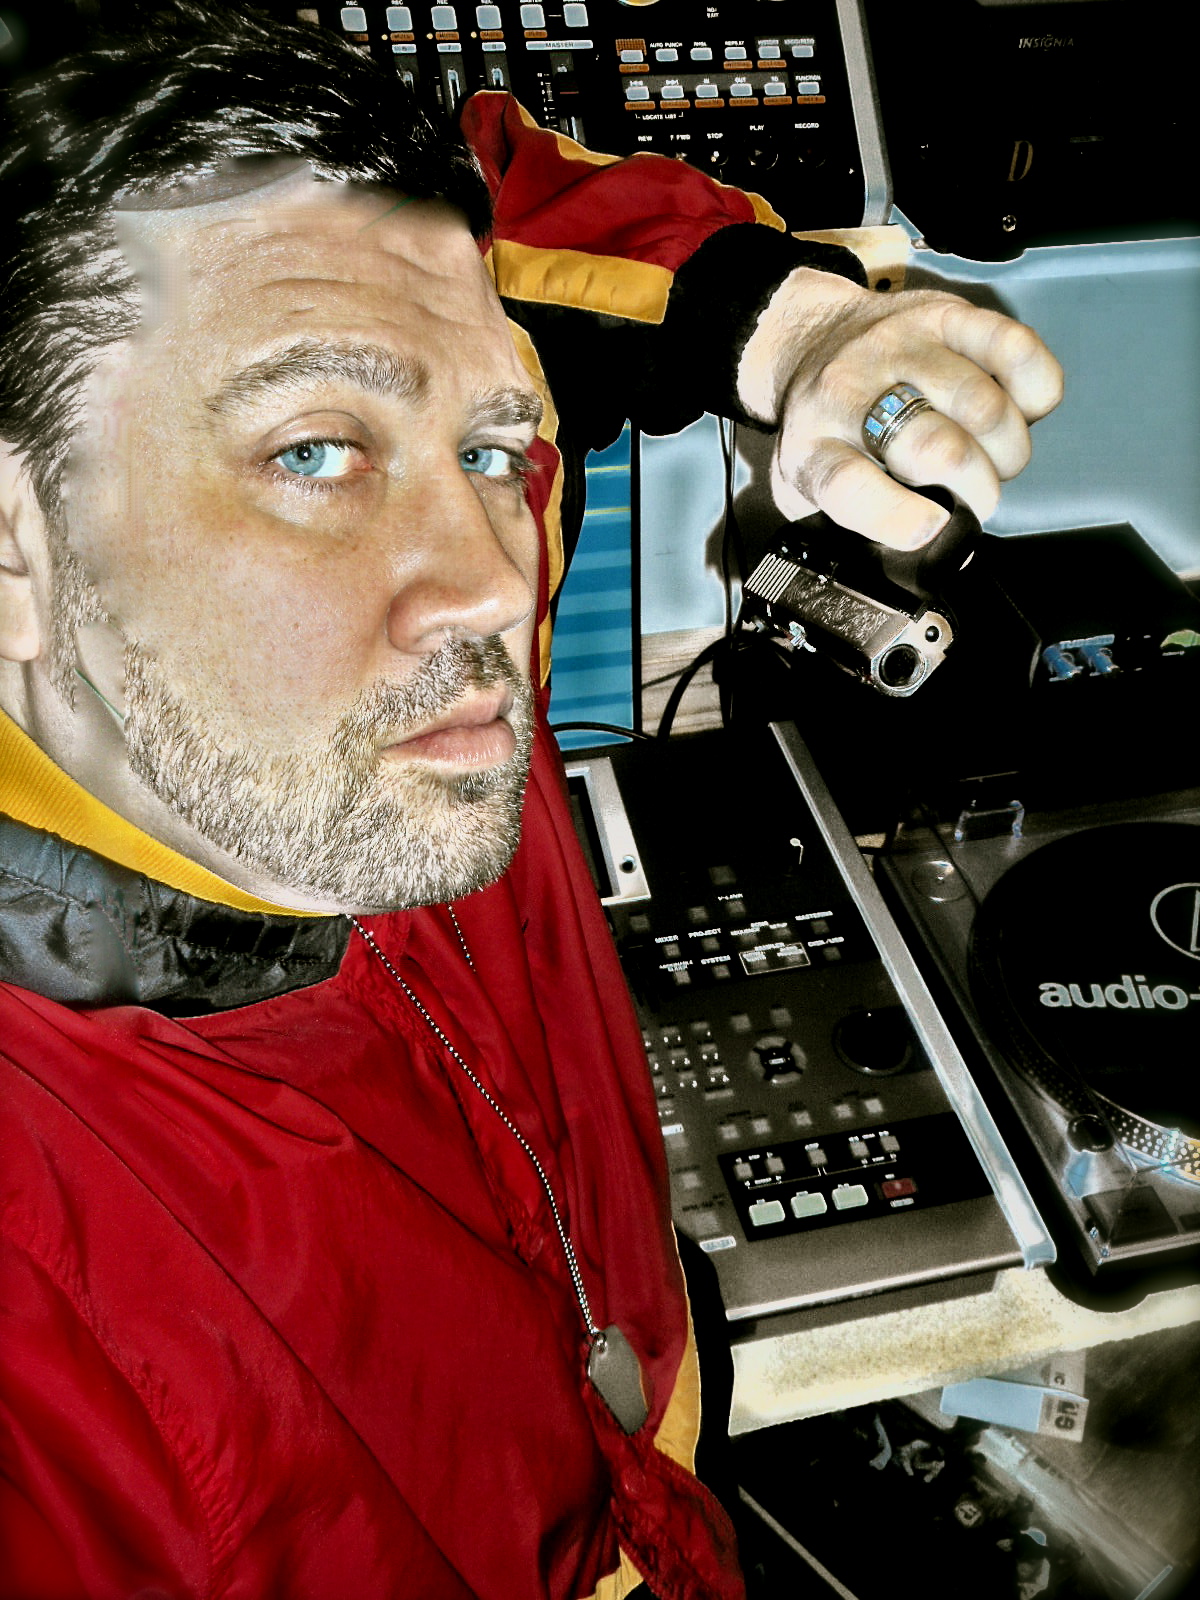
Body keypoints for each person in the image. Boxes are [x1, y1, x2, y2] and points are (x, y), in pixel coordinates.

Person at [0, 5, 1063, 1596]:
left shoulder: (391, 585)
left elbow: (485, 219)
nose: (495, 586)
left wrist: (791, 334)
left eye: (493, 450)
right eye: (315, 454)